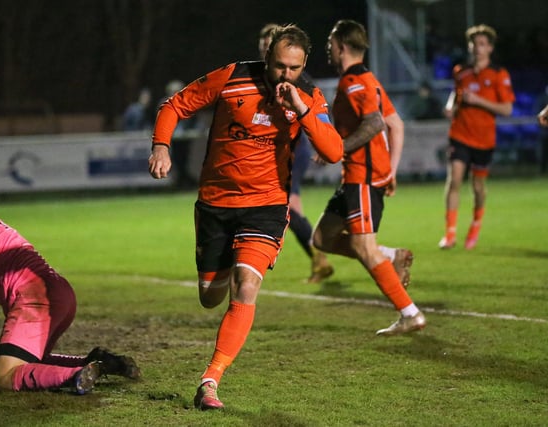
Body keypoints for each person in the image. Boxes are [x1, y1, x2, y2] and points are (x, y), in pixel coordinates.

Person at [148, 24, 344, 410]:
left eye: (293, 68)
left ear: (303, 64)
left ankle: (210, 381)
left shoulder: (309, 94)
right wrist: (161, 146)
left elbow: (334, 150)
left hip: (266, 206)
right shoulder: (233, 76)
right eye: (278, 66)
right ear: (267, 55)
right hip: (217, 205)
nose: (284, 75)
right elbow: (173, 106)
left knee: (247, 285)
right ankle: (214, 283)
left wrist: (301, 109)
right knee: (210, 297)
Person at [0, 165, 141, 393]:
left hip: (34, 300)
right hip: (61, 293)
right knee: (30, 365)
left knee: (5, 378)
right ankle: (100, 362)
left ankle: (77, 375)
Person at [311, 19, 425, 336]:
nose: (328, 51)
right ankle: (393, 256)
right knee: (322, 238)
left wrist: (339, 148)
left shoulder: (354, 81)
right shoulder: (369, 80)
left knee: (363, 248)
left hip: (362, 176)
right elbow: (395, 124)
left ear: (342, 46)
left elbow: (375, 124)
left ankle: (410, 313)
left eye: (330, 45)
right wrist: (391, 170)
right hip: (358, 176)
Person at [258, 23, 333, 283]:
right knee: (291, 209)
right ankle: (319, 259)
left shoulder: (297, 78)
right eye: (265, 45)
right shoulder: (258, 75)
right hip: (275, 154)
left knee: (288, 207)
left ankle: (320, 258)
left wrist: (320, 144)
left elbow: (315, 110)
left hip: (295, 152)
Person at [439, 24, 515, 250]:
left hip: (484, 139)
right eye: (474, 44)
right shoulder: (460, 71)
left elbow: (507, 109)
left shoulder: (499, 74)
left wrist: (479, 101)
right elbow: (456, 93)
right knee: (454, 180)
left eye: (482, 44)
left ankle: (475, 226)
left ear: (490, 48)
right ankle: (450, 234)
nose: (477, 48)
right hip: (460, 134)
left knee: (478, 187)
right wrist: (450, 106)